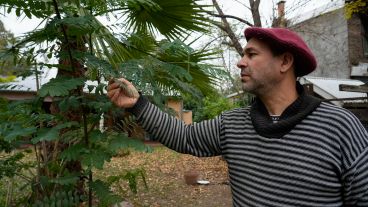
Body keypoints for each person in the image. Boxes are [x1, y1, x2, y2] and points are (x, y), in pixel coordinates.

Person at [107, 27, 368, 206]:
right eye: (243, 54)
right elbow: (184, 136)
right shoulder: (232, 124)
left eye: (251, 55)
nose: (240, 62)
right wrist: (138, 104)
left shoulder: (340, 127)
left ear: (285, 62)